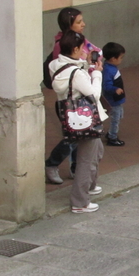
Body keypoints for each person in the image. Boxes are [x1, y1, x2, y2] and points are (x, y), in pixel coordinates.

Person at [49, 30, 106, 213]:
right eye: (82, 48)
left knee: (96, 149)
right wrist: (96, 73)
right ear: (74, 49)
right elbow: (94, 94)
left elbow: (71, 72)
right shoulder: (78, 75)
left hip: (69, 115)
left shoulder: (55, 65)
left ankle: (90, 185)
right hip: (85, 116)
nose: (84, 51)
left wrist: (85, 64)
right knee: (86, 159)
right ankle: (80, 201)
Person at [45, 7, 101, 184]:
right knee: (74, 136)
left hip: (83, 93)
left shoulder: (80, 41)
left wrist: (88, 64)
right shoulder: (62, 46)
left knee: (80, 137)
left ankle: (77, 170)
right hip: (73, 100)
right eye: (78, 22)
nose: (83, 24)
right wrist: (93, 73)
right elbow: (65, 72)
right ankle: (52, 164)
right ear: (68, 24)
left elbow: (93, 54)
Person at [101, 42, 127, 147]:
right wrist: (115, 89)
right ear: (113, 58)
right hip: (113, 100)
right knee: (115, 118)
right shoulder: (108, 70)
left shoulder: (111, 68)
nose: (121, 60)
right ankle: (112, 137)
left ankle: (111, 134)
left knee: (119, 115)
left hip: (116, 99)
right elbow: (106, 86)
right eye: (120, 58)